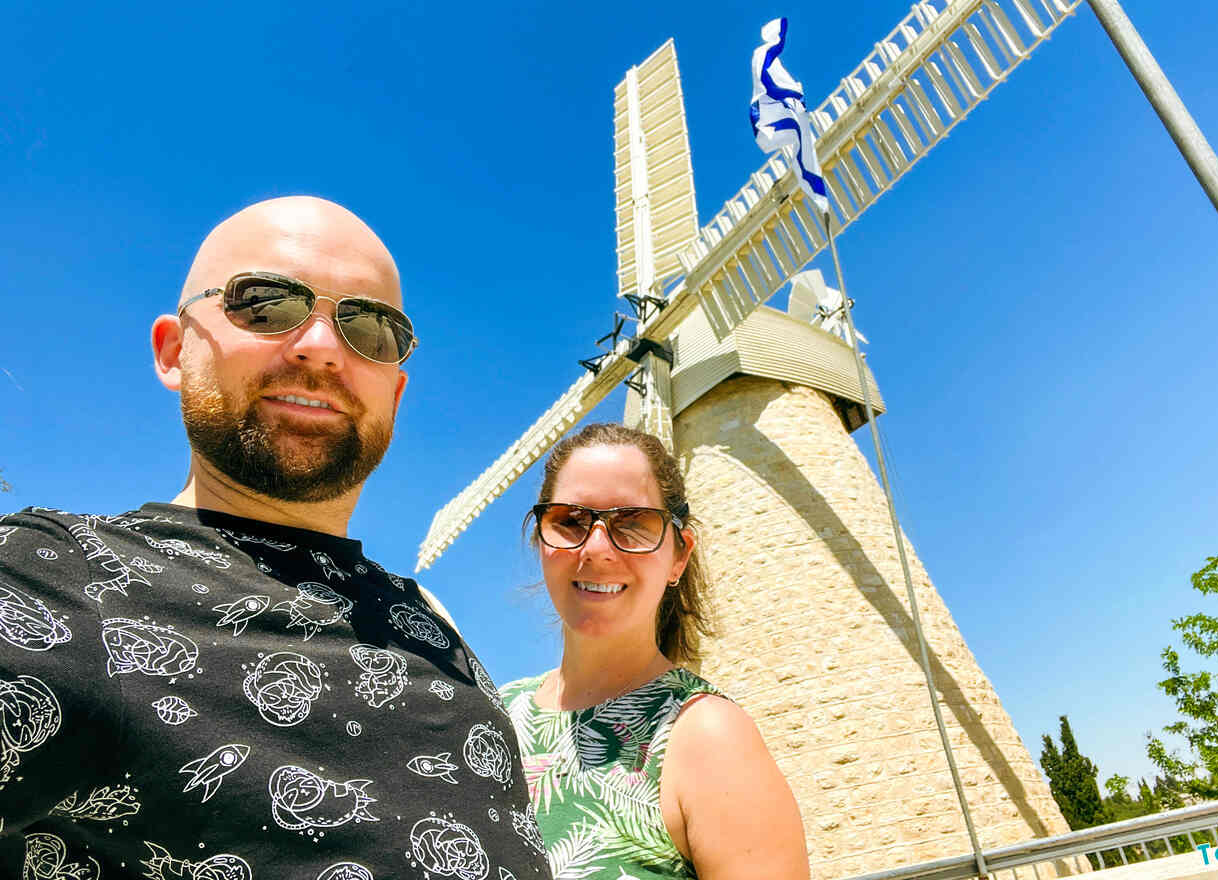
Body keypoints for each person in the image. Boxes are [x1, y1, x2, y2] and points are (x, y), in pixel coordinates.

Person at [0, 196, 551, 880]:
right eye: (264, 303)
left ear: (396, 392)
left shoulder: (436, 631)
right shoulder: (47, 577)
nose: (321, 347)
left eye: (370, 327)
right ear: (174, 352)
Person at [501, 423, 810, 880]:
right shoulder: (490, 715)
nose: (598, 549)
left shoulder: (706, 736)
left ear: (679, 556)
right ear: (540, 540)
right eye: (569, 521)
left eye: (633, 524)